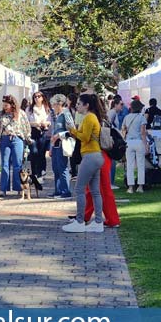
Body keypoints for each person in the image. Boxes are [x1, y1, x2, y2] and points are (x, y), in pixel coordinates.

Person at [62, 94, 105, 233]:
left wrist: (73, 130)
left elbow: (84, 138)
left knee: (79, 189)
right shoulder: (93, 117)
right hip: (96, 155)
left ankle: (80, 221)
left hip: (90, 156)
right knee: (95, 191)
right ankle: (98, 222)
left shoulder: (89, 117)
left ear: (86, 105)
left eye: (79, 104)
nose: (77, 106)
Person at [84, 99, 121, 228]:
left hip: (97, 155)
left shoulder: (91, 119)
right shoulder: (104, 119)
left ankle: (111, 219)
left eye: (80, 103)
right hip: (105, 156)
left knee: (97, 189)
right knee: (97, 189)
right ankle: (86, 216)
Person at [0, 95, 31, 197]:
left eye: (6, 105)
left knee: (17, 164)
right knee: (5, 165)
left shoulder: (20, 113)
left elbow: (26, 127)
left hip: (17, 139)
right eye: (3, 104)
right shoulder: (1, 114)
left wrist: (27, 139)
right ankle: (3, 189)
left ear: (12, 104)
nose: (4, 107)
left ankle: (19, 187)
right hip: (5, 139)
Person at [48, 94, 72, 199]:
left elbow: (72, 130)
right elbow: (54, 131)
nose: (53, 106)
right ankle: (58, 190)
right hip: (55, 145)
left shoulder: (65, 114)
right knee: (55, 168)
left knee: (62, 168)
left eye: (55, 104)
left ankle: (65, 191)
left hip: (63, 143)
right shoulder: (56, 115)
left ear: (60, 104)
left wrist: (59, 135)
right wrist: (51, 147)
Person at [122, 98, 148, 193]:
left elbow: (123, 130)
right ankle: (140, 187)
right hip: (139, 142)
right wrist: (146, 145)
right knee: (141, 165)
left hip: (129, 142)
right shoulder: (142, 117)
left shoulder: (127, 117)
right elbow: (143, 132)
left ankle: (130, 187)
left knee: (130, 165)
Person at [27, 91, 52, 182]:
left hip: (43, 132)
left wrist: (45, 123)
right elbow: (26, 122)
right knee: (34, 152)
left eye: (38, 96)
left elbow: (50, 121)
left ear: (42, 98)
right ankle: (34, 174)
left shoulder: (46, 109)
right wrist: (35, 123)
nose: (37, 98)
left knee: (41, 153)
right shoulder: (30, 109)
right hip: (33, 132)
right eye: (35, 97)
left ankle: (41, 173)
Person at [106, 96, 124, 190]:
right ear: (115, 104)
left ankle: (111, 182)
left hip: (113, 138)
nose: (122, 106)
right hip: (112, 139)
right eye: (121, 104)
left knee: (112, 162)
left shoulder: (114, 113)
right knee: (112, 161)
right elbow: (107, 125)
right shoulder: (112, 113)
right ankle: (110, 182)